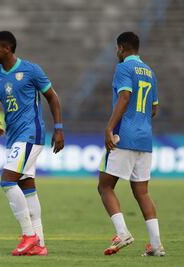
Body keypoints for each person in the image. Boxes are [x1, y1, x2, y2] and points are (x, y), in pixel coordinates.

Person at [0, 31, 64, 256]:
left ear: (7, 49)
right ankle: (39, 243)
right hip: (12, 137)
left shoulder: (31, 70)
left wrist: (58, 129)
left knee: (7, 181)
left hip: (31, 134)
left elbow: (53, 97)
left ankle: (28, 235)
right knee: (27, 187)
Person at [98, 31, 165, 257]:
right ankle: (156, 245)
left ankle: (122, 233)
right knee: (142, 192)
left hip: (123, 136)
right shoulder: (150, 72)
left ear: (121, 48)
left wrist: (109, 127)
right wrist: (140, 121)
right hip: (145, 138)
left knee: (105, 186)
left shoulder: (123, 67)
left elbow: (125, 96)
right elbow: (153, 108)